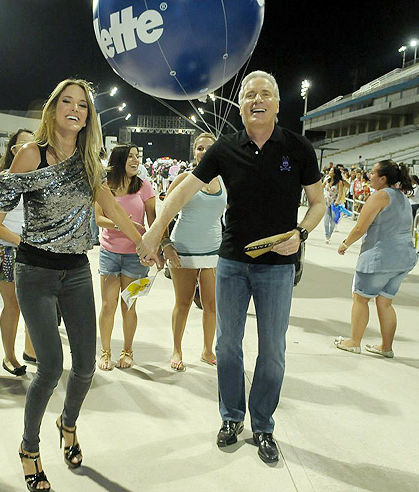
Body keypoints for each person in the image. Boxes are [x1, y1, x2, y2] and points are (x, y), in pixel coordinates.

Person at [0, 79, 158, 491]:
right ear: (53, 108)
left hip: (77, 271)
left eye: (82, 104)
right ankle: (28, 448)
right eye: (67, 102)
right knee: (50, 368)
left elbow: (110, 204)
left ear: (88, 115)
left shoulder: (87, 158)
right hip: (35, 272)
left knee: (85, 366)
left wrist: (142, 240)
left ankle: (68, 422)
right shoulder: (30, 155)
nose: (75, 109)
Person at [137, 70, 325, 464]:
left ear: (276, 103)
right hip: (232, 262)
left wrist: (302, 233)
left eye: (265, 94)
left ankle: (263, 425)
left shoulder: (298, 148)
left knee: (272, 349)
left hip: (278, 265)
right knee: (226, 345)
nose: (257, 100)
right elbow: (184, 189)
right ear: (240, 106)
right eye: (248, 94)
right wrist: (156, 231)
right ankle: (231, 418)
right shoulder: (224, 149)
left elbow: (318, 203)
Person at [334, 160, 418, 357]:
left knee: (360, 298)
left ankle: (354, 341)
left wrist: (345, 243)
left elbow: (360, 227)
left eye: (372, 173)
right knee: (385, 302)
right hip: (403, 258)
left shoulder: (380, 196)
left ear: (383, 178)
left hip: (380, 257)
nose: (368, 176)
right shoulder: (403, 198)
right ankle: (386, 347)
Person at [161, 132, 225, 371]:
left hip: (213, 251)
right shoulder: (185, 179)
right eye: (199, 148)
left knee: (212, 304)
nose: (204, 152)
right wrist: (165, 244)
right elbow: (164, 213)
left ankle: (208, 350)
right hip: (184, 250)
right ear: (194, 152)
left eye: (209, 147)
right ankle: (177, 349)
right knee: (184, 302)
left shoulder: (224, 180)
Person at [0, 128, 37, 375]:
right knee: (13, 305)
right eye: (19, 146)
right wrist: (20, 240)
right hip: (7, 250)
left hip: (36, 251)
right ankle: (9, 356)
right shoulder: (2, 179)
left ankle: (32, 351)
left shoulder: (41, 178)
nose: (25, 151)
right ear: (12, 150)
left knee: (35, 306)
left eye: (32, 145)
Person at [95, 143, 156, 371]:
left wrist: (154, 248)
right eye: (130, 156)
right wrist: (122, 225)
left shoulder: (144, 187)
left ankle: (127, 350)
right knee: (108, 305)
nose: (135, 160)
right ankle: (106, 352)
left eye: (137, 156)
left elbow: (153, 221)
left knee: (128, 306)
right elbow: (99, 219)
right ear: (119, 160)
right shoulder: (105, 187)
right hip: (109, 253)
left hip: (135, 256)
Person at [323, 167, 346, 243]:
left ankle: (329, 234)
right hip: (326, 202)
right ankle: (326, 235)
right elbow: (321, 187)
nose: (329, 172)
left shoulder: (339, 182)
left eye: (331, 171)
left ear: (335, 173)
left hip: (334, 203)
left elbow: (340, 193)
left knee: (333, 220)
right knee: (326, 219)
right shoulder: (328, 180)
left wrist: (337, 201)